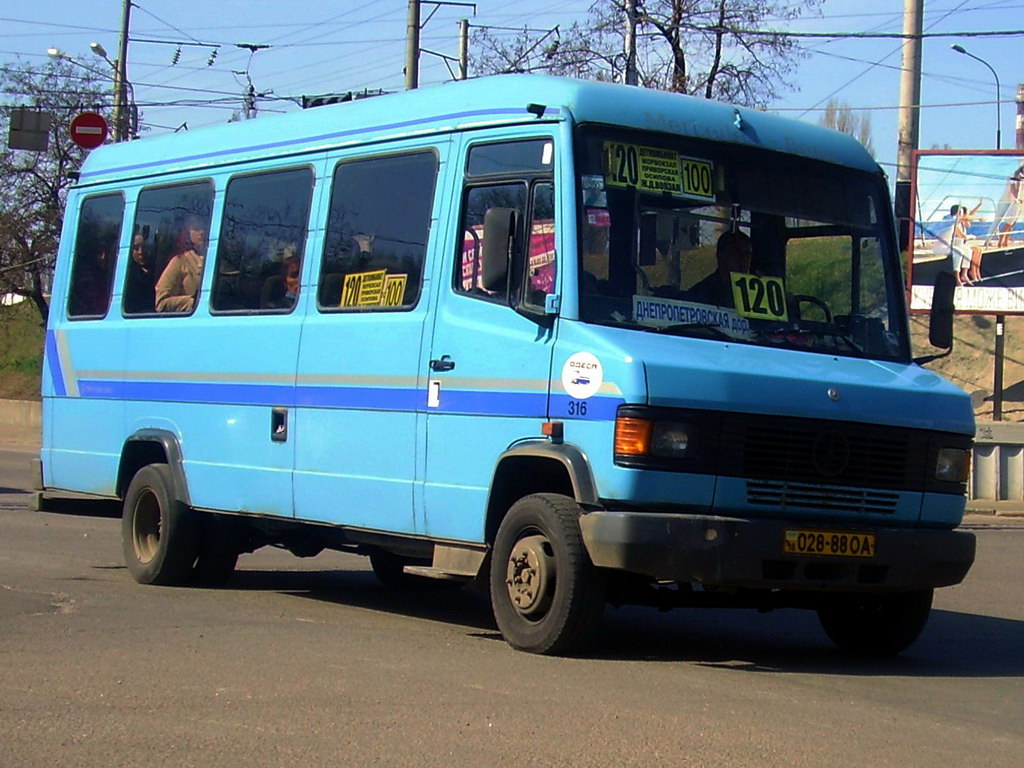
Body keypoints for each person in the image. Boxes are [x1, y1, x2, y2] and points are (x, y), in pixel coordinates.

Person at [687, 230, 753, 308]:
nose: (743, 259)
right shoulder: (701, 294)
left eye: (747, 254)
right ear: (721, 256)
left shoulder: (754, 293)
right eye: (736, 253)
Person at [155, 215, 207, 312]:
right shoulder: (179, 262)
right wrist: (193, 303)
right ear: (188, 233)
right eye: (196, 228)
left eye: (205, 228)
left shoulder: (219, 262)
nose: (202, 232)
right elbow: (161, 303)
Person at [932, 202, 982, 285]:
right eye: (961, 213)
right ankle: (957, 277)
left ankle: (964, 274)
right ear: (957, 213)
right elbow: (963, 220)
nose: (963, 215)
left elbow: (965, 218)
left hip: (947, 246)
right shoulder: (950, 219)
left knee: (968, 251)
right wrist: (979, 218)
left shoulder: (952, 220)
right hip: (940, 247)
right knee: (959, 251)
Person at [123, 233, 155, 314]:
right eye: (136, 248)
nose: (140, 252)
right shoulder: (127, 275)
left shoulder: (155, 269)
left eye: (144, 247)